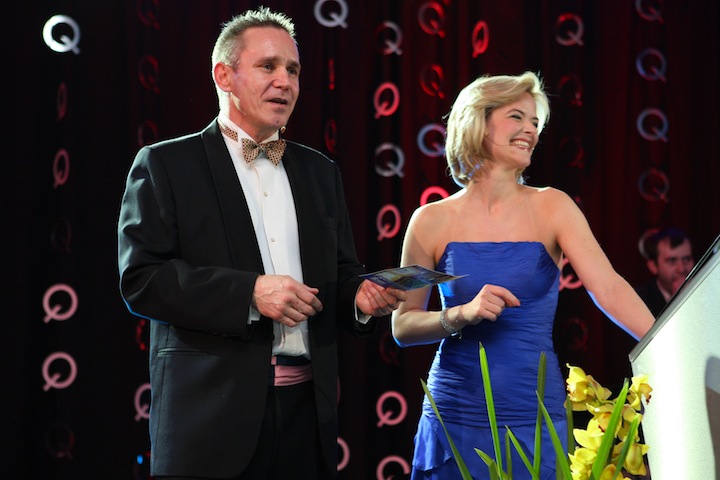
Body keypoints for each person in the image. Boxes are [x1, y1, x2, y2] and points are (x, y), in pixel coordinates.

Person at [117, 8, 406, 480]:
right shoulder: (166, 164)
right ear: (224, 76)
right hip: (209, 417)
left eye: (293, 69)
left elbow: (340, 272)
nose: (285, 81)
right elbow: (143, 279)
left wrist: (359, 297)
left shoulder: (320, 171)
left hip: (307, 414)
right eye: (268, 66)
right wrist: (250, 292)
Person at [391, 71, 655, 479]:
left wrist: (666, 347)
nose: (531, 130)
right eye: (517, 117)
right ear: (478, 122)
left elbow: (609, 287)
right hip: (454, 415)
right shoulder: (428, 220)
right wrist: (461, 314)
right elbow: (402, 325)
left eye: (535, 122)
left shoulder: (554, 206)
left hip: (535, 416)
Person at [635, 227, 694, 317]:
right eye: (672, 261)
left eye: (686, 259)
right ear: (653, 266)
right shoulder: (639, 301)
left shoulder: (705, 292)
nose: (681, 269)